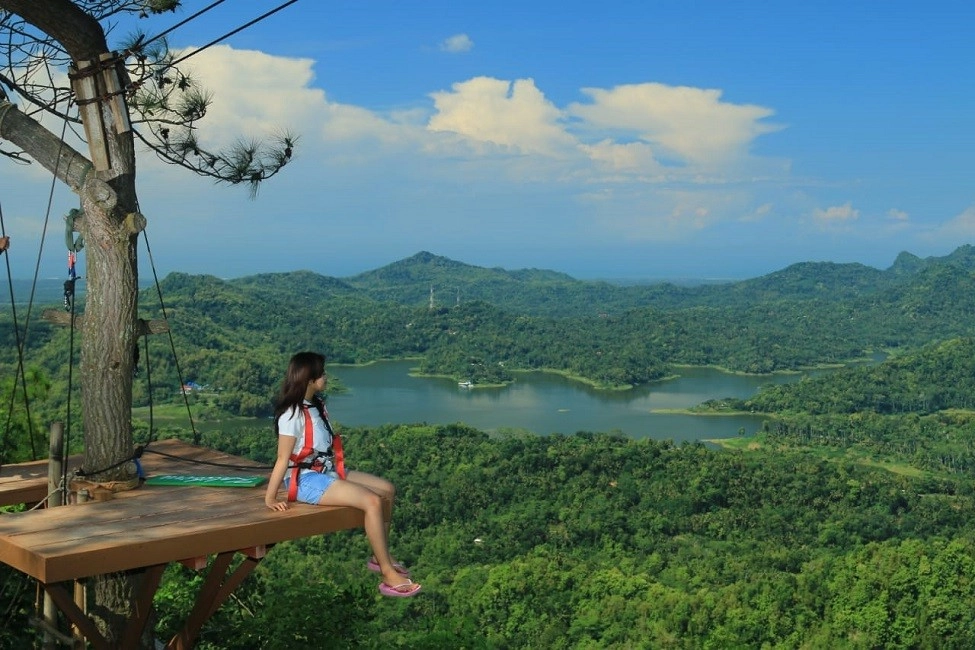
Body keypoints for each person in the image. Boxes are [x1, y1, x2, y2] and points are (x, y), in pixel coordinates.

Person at [265, 351, 421, 598]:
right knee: (371, 501)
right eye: (322, 374)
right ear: (309, 379)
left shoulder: (315, 404)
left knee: (387, 490)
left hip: (327, 470)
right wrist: (270, 498)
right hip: (306, 479)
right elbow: (283, 458)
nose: (326, 377)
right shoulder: (291, 414)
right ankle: (388, 575)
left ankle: (380, 556)